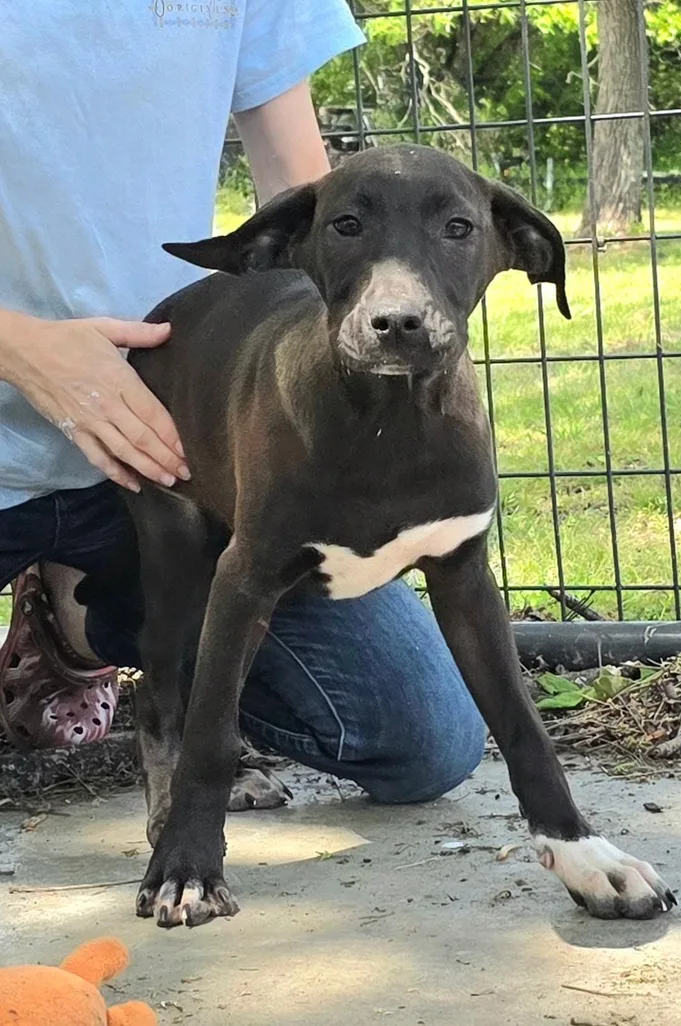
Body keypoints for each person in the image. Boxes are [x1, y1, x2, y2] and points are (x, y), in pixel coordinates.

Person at [0, 0, 485, 803]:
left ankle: (80, 618)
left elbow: (304, 195)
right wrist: (24, 351)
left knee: (422, 741)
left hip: (176, 446)